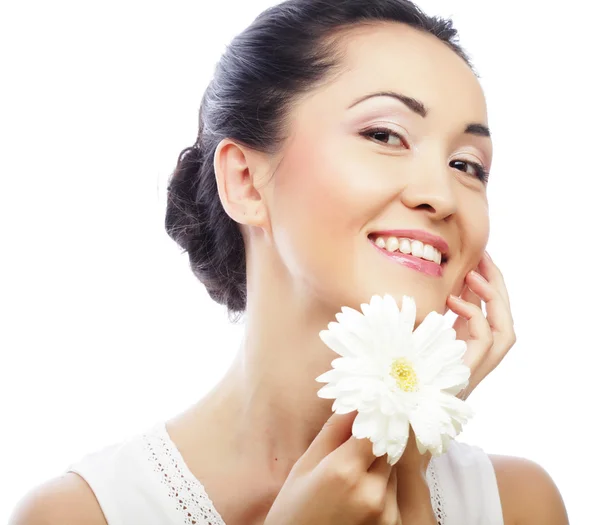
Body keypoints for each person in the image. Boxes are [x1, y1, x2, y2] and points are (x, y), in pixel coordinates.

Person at [10, 0, 569, 524]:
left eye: (468, 165)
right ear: (246, 181)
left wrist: (410, 458)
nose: (443, 197)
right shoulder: (81, 513)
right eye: (385, 134)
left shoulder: (519, 503)